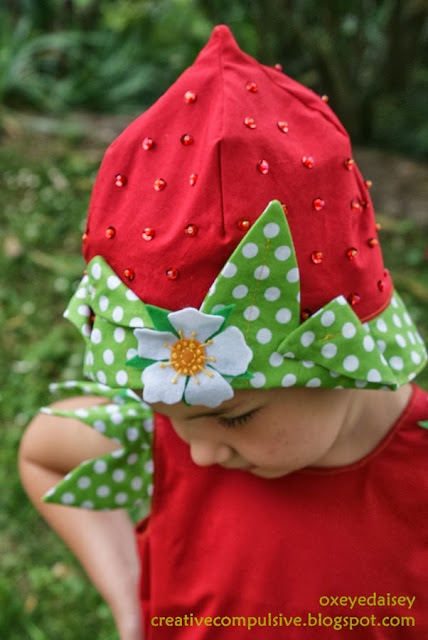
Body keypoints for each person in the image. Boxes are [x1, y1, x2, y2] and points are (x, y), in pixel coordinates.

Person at [18, 25, 428, 640]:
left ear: (335, 359)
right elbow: (42, 453)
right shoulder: (172, 436)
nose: (198, 452)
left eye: (233, 416)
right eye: (168, 414)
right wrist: (132, 602)